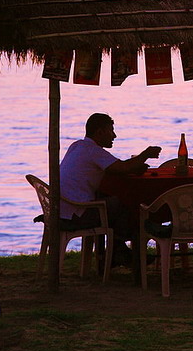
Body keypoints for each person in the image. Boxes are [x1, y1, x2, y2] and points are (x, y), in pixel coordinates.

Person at [59, 113, 161, 265]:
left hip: (62, 209)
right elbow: (124, 167)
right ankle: (122, 252)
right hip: (77, 213)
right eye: (111, 131)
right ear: (100, 132)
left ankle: (116, 251)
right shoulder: (93, 151)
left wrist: (131, 168)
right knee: (124, 205)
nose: (114, 135)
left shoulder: (77, 146)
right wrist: (146, 154)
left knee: (114, 203)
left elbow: (117, 168)